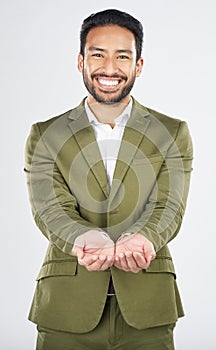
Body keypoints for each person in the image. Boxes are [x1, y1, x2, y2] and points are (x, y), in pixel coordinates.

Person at [24, 9, 193, 350]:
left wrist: (144, 237)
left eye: (122, 56)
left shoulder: (172, 132)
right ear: (80, 61)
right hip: (66, 307)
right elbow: (50, 208)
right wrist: (83, 237)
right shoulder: (45, 134)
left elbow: (169, 204)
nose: (110, 68)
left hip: (149, 308)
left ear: (138, 66)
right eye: (98, 54)